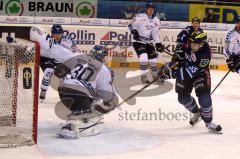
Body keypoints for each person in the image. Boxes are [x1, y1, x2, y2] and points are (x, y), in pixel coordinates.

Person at [30, 26, 119, 138]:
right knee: (94, 97)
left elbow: (54, 50)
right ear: (102, 57)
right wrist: (110, 102)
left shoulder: (77, 55)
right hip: (81, 95)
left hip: (63, 92)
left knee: (83, 96)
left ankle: (76, 114)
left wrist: (40, 37)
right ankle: (77, 122)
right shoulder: (103, 68)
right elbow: (106, 93)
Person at [159, 31, 222, 134]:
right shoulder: (190, 42)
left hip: (199, 74)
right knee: (182, 98)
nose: (192, 45)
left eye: (195, 44)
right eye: (191, 43)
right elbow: (180, 50)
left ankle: (209, 123)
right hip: (185, 69)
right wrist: (176, 56)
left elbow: (188, 72)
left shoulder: (205, 55)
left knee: (204, 98)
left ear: (202, 44)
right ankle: (197, 112)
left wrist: (171, 74)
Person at [39, 24, 78, 101]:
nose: (57, 36)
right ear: (52, 34)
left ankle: (66, 93)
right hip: (47, 58)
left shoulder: (68, 40)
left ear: (62, 33)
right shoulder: (47, 39)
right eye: (55, 34)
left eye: (59, 34)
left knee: (64, 77)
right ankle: (43, 90)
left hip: (59, 60)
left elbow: (75, 51)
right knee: (48, 71)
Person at [128, 2, 164, 84]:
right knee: (143, 57)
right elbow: (130, 24)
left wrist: (158, 43)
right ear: (146, 9)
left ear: (154, 10)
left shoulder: (156, 20)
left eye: (152, 9)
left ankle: (155, 76)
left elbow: (155, 34)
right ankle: (143, 77)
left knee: (154, 60)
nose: (150, 10)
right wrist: (134, 31)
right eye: (149, 9)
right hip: (139, 42)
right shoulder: (140, 16)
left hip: (149, 43)